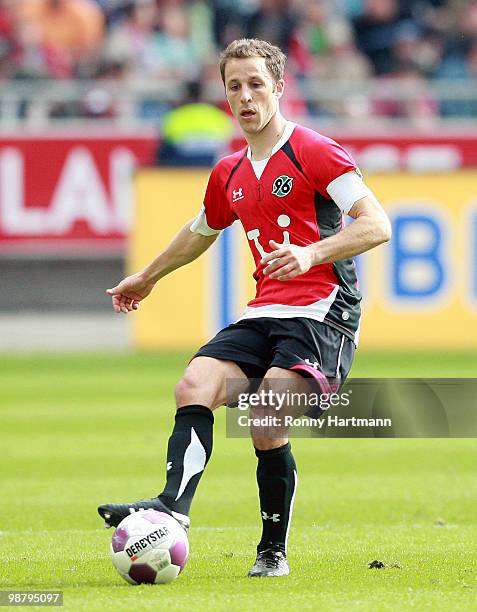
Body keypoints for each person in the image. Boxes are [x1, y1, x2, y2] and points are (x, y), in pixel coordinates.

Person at [98, 38, 391, 577]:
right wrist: (148, 276)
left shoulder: (315, 151)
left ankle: (272, 552)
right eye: (235, 86)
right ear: (225, 96)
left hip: (325, 310)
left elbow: (377, 224)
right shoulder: (229, 171)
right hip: (265, 311)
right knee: (195, 383)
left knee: (267, 414)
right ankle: (173, 510)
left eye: (256, 83)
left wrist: (311, 253)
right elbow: (200, 231)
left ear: (279, 86)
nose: (246, 95)